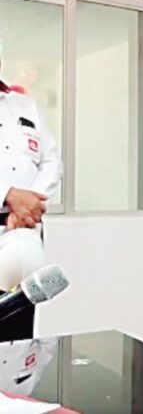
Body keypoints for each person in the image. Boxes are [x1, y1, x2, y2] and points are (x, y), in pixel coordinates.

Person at [0, 62, 62, 340]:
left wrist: (27, 206)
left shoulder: (24, 105)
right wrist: (8, 195)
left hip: (23, 231)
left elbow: (51, 161)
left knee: (18, 331)